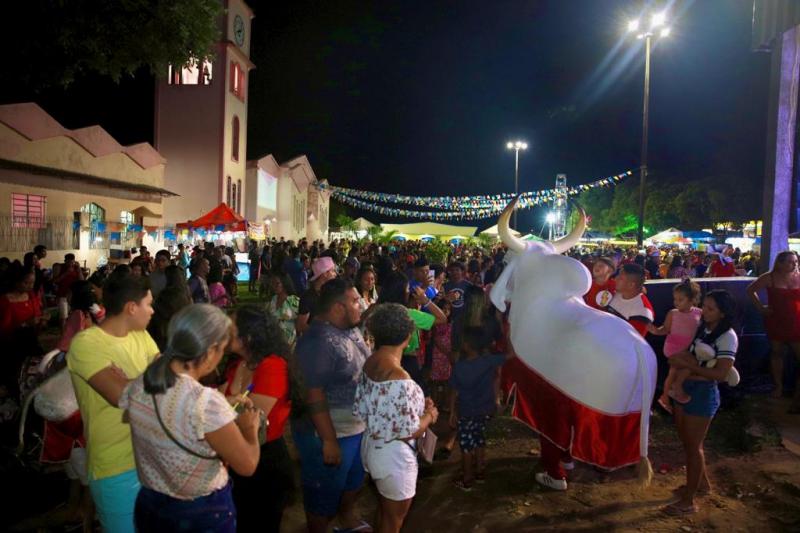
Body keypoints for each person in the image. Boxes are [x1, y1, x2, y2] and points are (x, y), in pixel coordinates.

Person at [120, 304, 261, 532]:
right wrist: (249, 430)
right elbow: (247, 465)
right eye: (222, 350)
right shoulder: (204, 402)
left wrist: (221, 409)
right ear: (210, 352)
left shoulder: (141, 384)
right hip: (199, 513)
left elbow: (170, 417)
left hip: (151, 504)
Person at [67, 274, 159, 532]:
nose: (152, 310)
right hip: (117, 466)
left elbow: (167, 381)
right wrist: (145, 382)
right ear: (131, 307)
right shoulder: (86, 344)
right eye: (148, 304)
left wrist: (132, 381)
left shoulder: (141, 336)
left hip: (154, 456)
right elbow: (123, 397)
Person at [292, 279, 372, 533]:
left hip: (354, 428)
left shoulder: (349, 327)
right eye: (355, 301)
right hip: (328, 433)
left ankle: (345, 518)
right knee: (322, 494)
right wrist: (328, 440)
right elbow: (313, 393)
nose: (361, 304)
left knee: (353, 482)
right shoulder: (319, 342)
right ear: (338, 307)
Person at [354, 303, 439, 533]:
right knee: (394, 522)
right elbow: (411, 429)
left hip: (371, 448)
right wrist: (429, 416)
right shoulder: (402, 380)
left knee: (384, 509)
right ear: (408, 336)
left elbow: (369, 406)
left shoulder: (370, 362)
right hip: (394, 459)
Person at [663, 290, 738, 516]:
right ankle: (701, 485)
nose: (704, 311)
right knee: (689, 443)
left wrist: (687, 368)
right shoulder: (704, 328)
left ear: (723, 313)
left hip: (703, 393)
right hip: (688, 387)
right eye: (704, 306)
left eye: (710, 308)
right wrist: (680, 361)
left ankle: (688, 501)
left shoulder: (727, 337)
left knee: (693, 447)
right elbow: (693, 354)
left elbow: (720, 374)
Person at [224, 305, 295, 533]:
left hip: (265, 461)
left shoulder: (272, 366)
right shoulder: (239, 365)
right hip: (238, 454)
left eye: (231, 328)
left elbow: (251, 420)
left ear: (249, 335)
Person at [448, 327, 510, 491]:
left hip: (466, 412)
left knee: (467, 445)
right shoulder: (488, 361)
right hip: (485, 410)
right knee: (479, 438)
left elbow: (454, 391)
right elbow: (511, 356)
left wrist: (453, 412)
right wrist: (509, 336)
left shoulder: (459, 367)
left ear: (467, 345)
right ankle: (480, 470)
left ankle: (467, 478)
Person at [746, 251, 800, 410]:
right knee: (777, 353)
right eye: (791, 262)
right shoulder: (769, 277)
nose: (794, 264)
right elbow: (750, 290)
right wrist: (761, 308)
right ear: (780, 263)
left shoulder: (799, 276)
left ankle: (796, 392)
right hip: (776, 320)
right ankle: (779, 386)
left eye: (796, 261)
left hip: (796, 321)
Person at [378, 271, 447, 387]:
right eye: (407, 289)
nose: (409, 292)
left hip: (382, 360)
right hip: (408, 362)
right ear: (400, 292)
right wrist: (425, 300)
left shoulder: (377, 310)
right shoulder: (408, 314)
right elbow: (442, 318)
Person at [647, 280, 702, 412]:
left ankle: (665, 397)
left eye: (680, 299)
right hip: (673, 347)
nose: (676, 302)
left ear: (692, 299)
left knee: (674, 372)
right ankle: (675, 389)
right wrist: (655, 330)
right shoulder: (673, 313)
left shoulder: (699, 313)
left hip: (688, 348)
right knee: (682, 368)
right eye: (675, 299)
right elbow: (665, 329)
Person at [0, 264, 46, 396]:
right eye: (26, 283)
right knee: (15, 376)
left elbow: (37, 314)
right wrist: (25, 324)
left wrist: (41, 321)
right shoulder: (6, 300)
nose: (30, 286)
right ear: (16, 282)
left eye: (32, 283)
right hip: (12, 345)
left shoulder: (31, 296)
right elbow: (4, 329)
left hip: (30, 340)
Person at [147, 266, 193, 351]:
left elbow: (158, 316)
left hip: (165, 334)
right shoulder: (186, 292)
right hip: (181, 333)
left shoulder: (166, 295)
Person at [607, 263, 654, 337]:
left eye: (620, 278)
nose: (615, 279)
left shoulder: (642, 311)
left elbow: (630, 341)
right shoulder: (617, 292)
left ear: (631, 285)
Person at [296, 256, 337, 336]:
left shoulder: (328, 293)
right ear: (325, 273)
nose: (335, 274)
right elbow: (300, 326)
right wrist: (323, 334)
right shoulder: (308, 297)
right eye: (333, 271)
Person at [266, 273, 300, 346]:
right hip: (274, 341)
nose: (274, 286)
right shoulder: (273, 300)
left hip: (291, 342)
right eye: (272, 283)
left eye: (277, 283)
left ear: (284, 283)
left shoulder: (293, 301)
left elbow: (299, 324)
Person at [55, 253, 84, 327]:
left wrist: (79, 270)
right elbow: (56, 281)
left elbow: (82, 281)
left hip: (73, 296)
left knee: (72, 316)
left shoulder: (76, 268)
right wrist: (66, 273)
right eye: (69, 262)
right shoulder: (60, 267)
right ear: (65, 261)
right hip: (62, 295)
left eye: (72, 262)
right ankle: (63, 335)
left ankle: (69, 333)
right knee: (63, 317)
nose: (71, 264)